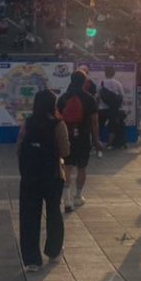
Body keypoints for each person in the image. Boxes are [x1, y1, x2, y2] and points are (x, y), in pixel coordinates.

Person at [17, 89, 70, 272]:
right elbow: (65, 151)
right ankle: (54, 251)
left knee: (29, 216)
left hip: (30, 177)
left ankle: (32, 259)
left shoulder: (28, 123)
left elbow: (19, 147)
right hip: (53, 176)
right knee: (54, 213)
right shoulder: (58, 124)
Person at [57, 71, 100, 212]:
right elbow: (94, 122)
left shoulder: (63, 98)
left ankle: (67, 199)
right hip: (83, 137)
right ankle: (78, 196)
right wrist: (96, 140)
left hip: (67, 137)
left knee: (67, 167)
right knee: (82, 167)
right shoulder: (89, 99)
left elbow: (57, 120)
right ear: (84, 82)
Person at [96, 66, 126, 149]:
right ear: (114, 73)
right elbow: (121, 96)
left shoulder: (100, 83)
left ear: (105, 73)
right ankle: (109, 144)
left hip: (102, 108)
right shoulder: (118, 83)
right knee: (112, 126)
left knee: (99, 126)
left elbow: (97, 97)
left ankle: (97, 143)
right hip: (113, 109)